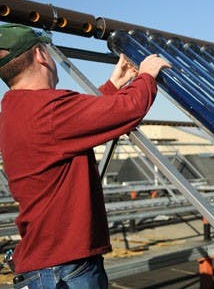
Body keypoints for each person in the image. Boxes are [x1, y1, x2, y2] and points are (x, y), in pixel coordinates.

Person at [0, 23, 171, 288]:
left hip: (49, 265)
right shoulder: (46, 108)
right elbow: (127, 109)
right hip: (65, 268)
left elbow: (73, 123)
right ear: (40, 54)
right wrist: (147, 76)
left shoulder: (16, 111)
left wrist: (115, 84)